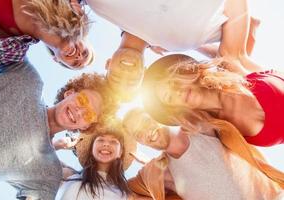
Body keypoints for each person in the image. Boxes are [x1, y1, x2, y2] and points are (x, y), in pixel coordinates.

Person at [0, 58, 114, 199]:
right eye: (82, 100)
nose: (80, 111)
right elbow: (1, 41)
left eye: (88, 115)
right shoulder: (28, 80)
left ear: (85, 127)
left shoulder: (48, 172)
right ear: (69, 93)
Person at [77, 0, 261, 97]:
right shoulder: (181, 41)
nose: (126, 73)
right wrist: (201, 48)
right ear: (144, 71)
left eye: (117, 76)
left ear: (108, 63)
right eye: (132, 81)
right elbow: (250, 25)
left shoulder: (100, 5)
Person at [123, 108, 284, 200]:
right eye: (138, 134)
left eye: (145, 122)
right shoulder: (160, 173)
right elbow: (118, 190)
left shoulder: (199, 126)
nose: (146, 132)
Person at [141, 53, 284, 147]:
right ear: (175, 109)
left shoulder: (232, 69)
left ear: (185, 74)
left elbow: (236, 11)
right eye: (170, 97)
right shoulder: (223, 136)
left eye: (175, 83)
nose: (178, 91)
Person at [0, 0, 93, 69]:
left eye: (75, 63)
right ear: (83, 37)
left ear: (56, 59)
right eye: (85, 53)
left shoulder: (12, 51)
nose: (79, 56)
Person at [54, 120, 137, 200]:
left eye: (113, 141)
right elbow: (41, 167)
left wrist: (147, 163)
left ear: (120, 152)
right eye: (101, 140)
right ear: (91, 149)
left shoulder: (127, 193)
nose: (106, 144)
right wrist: (56, 145)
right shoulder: (69, 175)